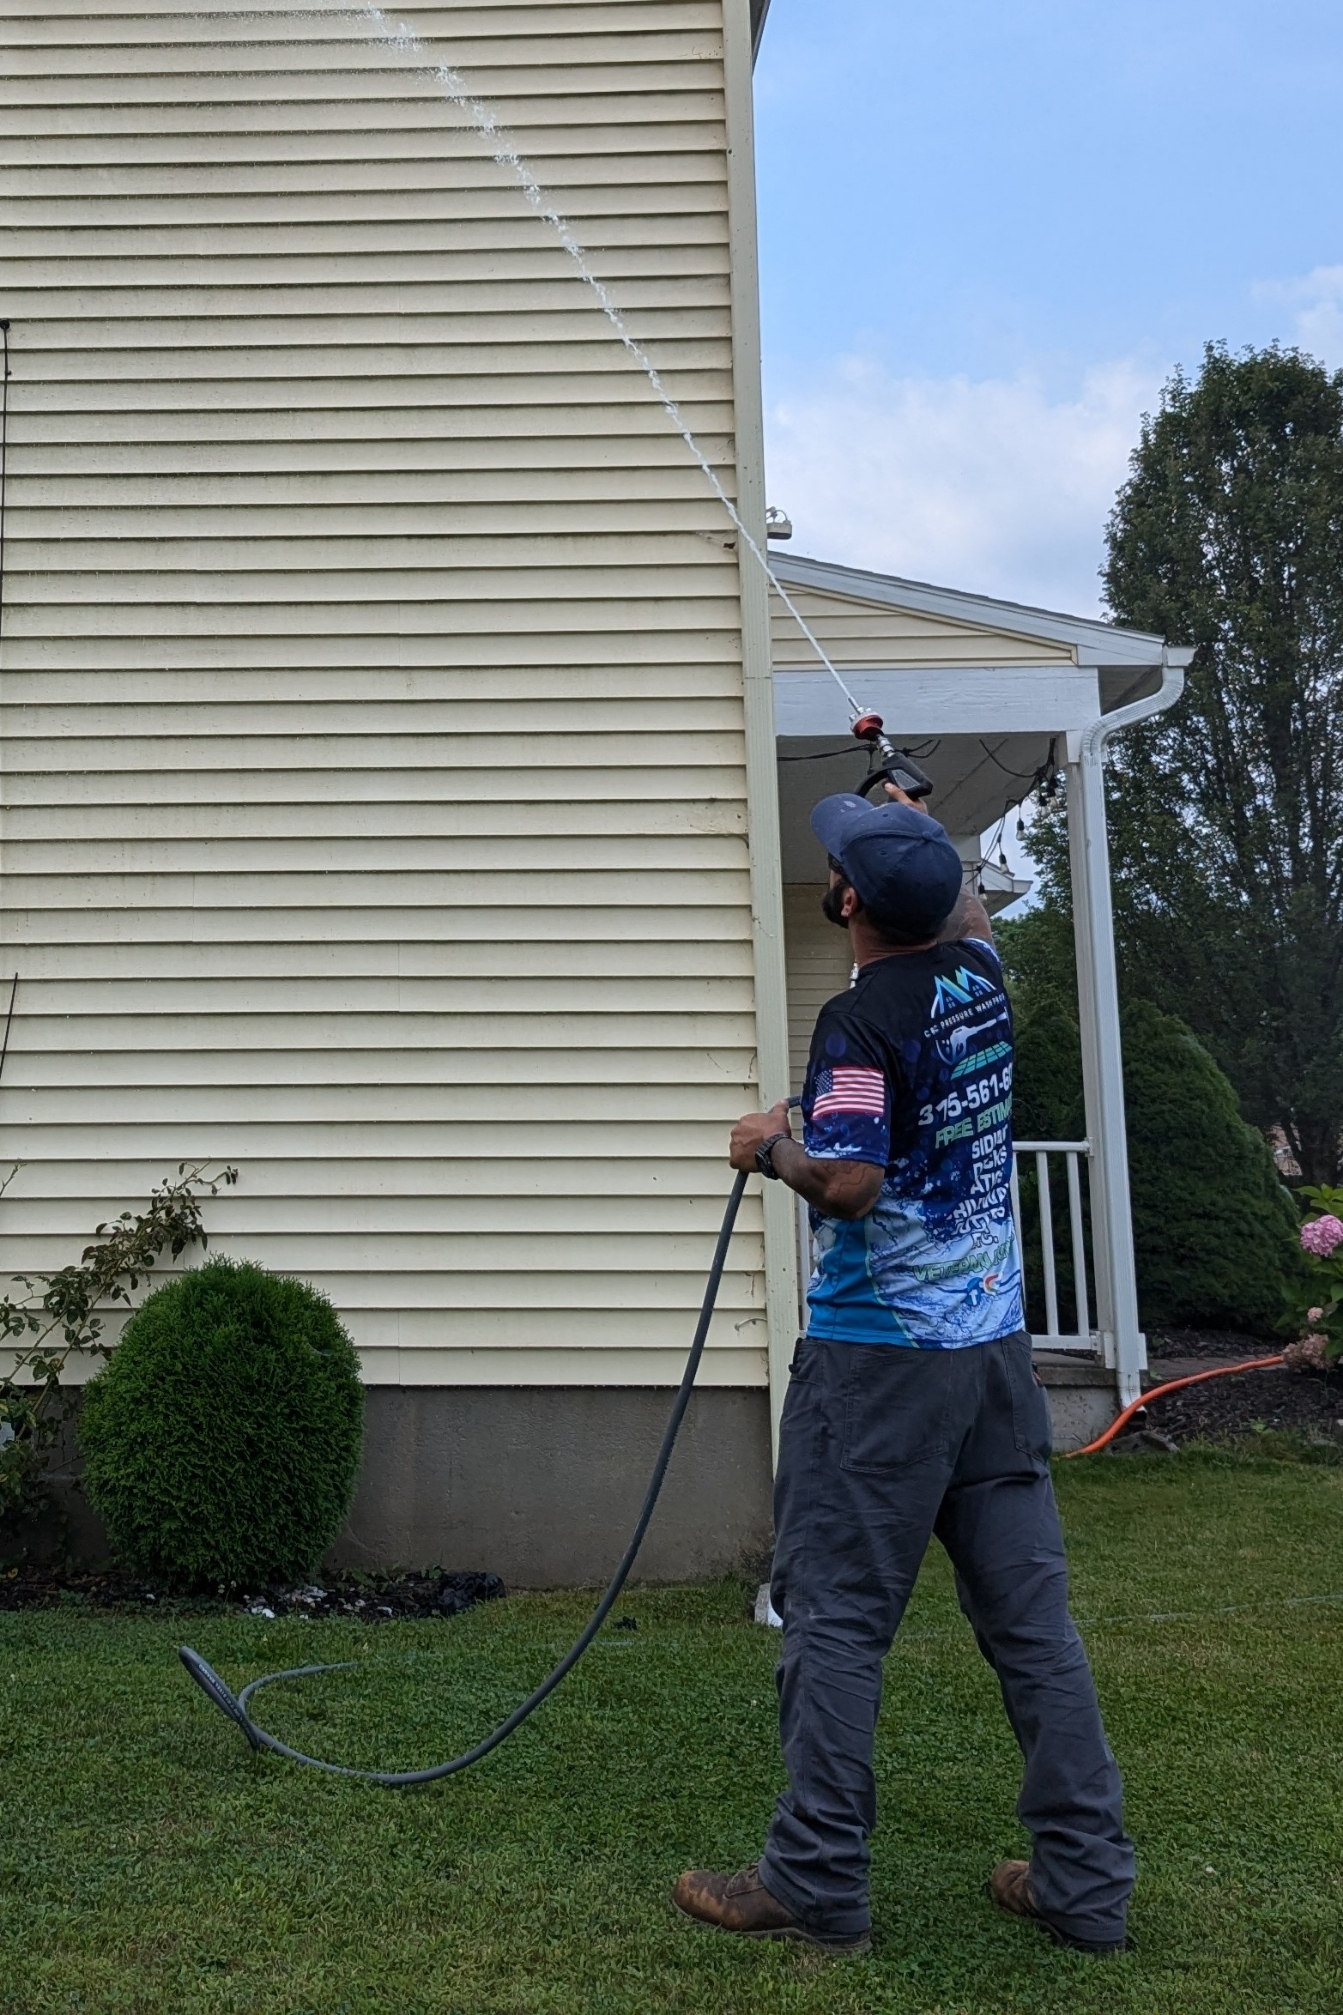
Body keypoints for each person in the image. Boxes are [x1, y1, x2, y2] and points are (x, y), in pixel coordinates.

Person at [672, 786, 1133, 1957]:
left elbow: (851, 1180)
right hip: (991, 1365)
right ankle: (1084, 1883)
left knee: (832, 1620)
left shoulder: (858, 1020)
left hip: (878, 1373)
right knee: (1034, 1628)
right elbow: (962, 909)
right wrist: (915, 827)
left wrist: (765, 1145)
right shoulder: (980, 977)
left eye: (841, 865)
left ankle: (815, 1878)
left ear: (850, 903)